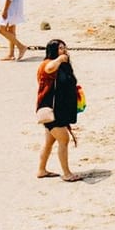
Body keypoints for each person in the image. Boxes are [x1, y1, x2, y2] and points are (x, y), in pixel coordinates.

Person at [36, 40, 81, 181]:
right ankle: (67, 174)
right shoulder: (48, 63)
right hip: (50, 110)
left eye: (64, 48)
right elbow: (49, 68)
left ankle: (41, 170)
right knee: (64, 139)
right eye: (60, 48)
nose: (64, 50)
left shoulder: (63, 65)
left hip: (58, 110)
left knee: (49, 142)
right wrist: (60, 59)